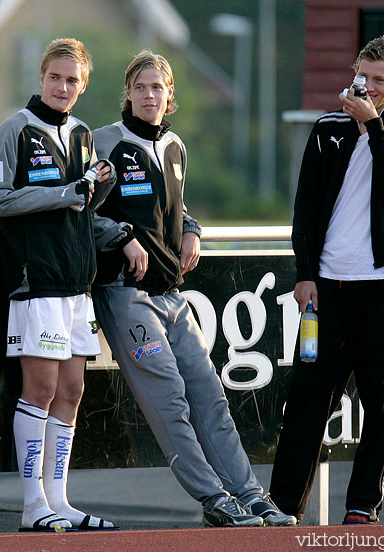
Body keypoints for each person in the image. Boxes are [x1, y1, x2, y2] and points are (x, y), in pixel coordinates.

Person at [90, 49, 296, 528]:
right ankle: (214, 499)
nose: (148, 95)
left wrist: (193, 229)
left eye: (157, 87)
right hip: (125, 294)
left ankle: (250, 494)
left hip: (172, 295)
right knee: (171, 400)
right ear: (127, 92)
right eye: (139, 86)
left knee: (210, 395)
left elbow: (171, 209)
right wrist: (122, 239)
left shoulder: (176, 146)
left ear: (170, 95)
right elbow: (84, 212)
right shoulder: (105, 142)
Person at [269, 35, 384, 525]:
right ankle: (280, 507)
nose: (368, 86)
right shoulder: (326, 128)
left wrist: (373, 126)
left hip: (382, 280)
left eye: (380, 80)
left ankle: (362, 505)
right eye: (364, 76)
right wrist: (305, 274)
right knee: (308, 395)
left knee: (381, 396)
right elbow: (307, 207)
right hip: (327, 288)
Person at [0, 38, 117, 532]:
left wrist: (99, 189)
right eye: (55, 77)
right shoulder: (13, 130)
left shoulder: (81, 133)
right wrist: (64, 193)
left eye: (73, 80)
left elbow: (82, 206)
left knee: (73, 390)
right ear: (41, 77)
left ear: (83, 85)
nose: (63, 86)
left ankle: (59, 501)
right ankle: (32, 504)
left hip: (79, 284)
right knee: (41, 387)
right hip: (36, 282)